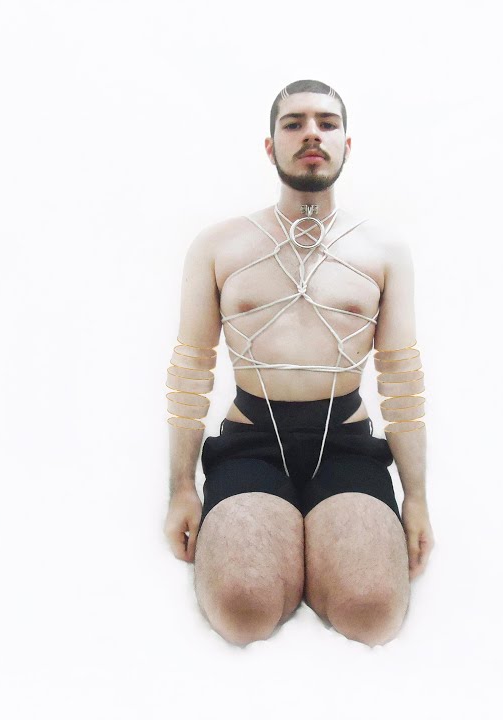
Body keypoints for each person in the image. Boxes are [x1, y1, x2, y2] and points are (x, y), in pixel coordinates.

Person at [162, 80, 434, 647]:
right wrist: (181, 488)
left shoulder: (383, 251)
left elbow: (401, 382)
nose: (312, 133)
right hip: (250, 441)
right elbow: (191, 372)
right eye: (294, 123)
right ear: (271, 146)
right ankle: (286, 549)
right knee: (242, 612)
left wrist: (417, 498)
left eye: (326, 123)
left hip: (347, 443)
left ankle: (321, 548)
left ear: (346, 145)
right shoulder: (218, 245)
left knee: (372, 614)